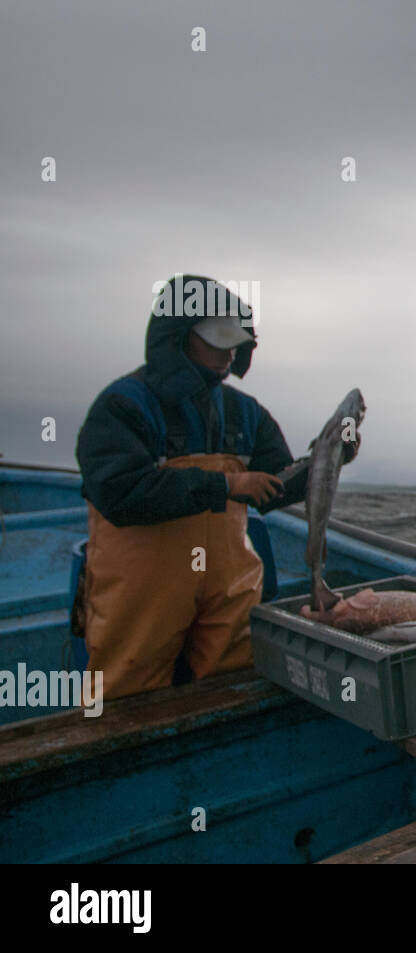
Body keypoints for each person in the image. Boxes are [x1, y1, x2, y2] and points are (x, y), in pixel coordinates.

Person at [75, 275, 341, 700]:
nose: (229, 351)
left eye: (234, 340)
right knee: (127, 689)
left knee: (232, 682)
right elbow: (119, 493)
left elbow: (277, 486)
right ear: (177, 337)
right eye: (217, 339)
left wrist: (327, 461)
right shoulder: (124, 405)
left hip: (229, 587)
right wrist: (228, 484)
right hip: (142, 593)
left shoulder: (246, 412)